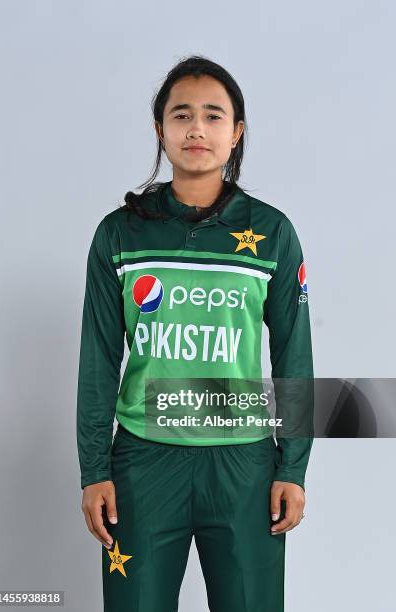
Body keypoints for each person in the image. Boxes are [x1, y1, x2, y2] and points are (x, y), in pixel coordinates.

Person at [76, 55, 314, 612]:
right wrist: (93, 469)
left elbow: (293, 354)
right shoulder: (120, 234)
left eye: (213, 116)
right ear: (160, 131)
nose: (197, 129)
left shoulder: (272, 232)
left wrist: (293, 467)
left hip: (244, 468)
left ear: (236, 134)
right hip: (142, 465)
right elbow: (98, 359)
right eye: (182, 115)